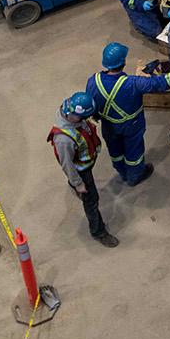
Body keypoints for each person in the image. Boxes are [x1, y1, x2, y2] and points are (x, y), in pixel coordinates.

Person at [84, 41, 170, 186]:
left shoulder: (93, 81)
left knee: (115, 151)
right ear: (123, 63)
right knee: (134, 152)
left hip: (108, 126)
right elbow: (164, 82)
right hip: (131, 126)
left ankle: (122, 172)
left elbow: (91, 106)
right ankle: (134, 176)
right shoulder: (133, 83)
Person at [47, 92, 119, 247]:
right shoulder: (64, 140)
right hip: (81, 170)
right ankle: (98, 231)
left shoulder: (71, 111)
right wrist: (78, 182)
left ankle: (74, 185)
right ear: (73, 115)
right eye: (84, 117)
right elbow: (67, 165)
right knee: (91, 201)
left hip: (85, 163)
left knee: (81, 187)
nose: (86, 119)